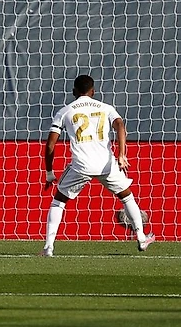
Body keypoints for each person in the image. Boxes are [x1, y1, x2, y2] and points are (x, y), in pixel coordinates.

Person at [41, 74, 155, 256]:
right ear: (93, 92)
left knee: (58, 202)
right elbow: (120, 125)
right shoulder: (106, 108)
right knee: (127, 197)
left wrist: (49, 172)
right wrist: (121, 154)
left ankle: (49, 247)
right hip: (106, 164)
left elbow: (50, 145)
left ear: (73, 91)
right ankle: (141, 237)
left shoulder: (65, 111)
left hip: (81, 165)